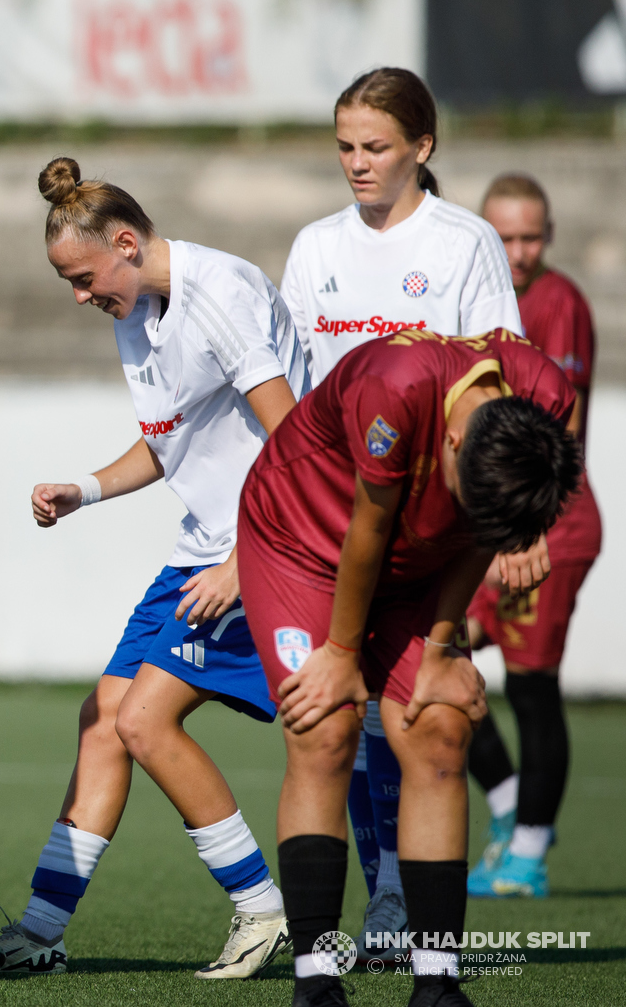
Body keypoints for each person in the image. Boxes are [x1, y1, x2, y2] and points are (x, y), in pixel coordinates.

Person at [0, 158, 305, 980]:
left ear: (127, 242)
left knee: (144, 721)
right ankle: (41, 933)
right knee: (105, 716)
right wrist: (83, 489)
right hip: (205, 549)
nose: (80, 297)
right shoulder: (137, 309)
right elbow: (168, 444)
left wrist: (245, 561)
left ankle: (265, 914)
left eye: (84, 278)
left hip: (265, 547)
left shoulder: (221, 291)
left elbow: (299, 443)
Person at [236, 328, 580, 1007]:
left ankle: (436, 981)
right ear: (453, 442)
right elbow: (368, 528)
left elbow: (479, 532)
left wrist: (443, 647)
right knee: (325, 727)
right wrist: (339, 654)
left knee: (441, 728)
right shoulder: (395, 387)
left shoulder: (546, 398)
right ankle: (316, 980)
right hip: (302, 543)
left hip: (418, 564)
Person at [276, 68, 523, 954]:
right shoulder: (314, 248)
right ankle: (331, 930)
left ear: (423, 147)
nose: (357, 164)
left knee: (418, 720)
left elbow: (500, 393)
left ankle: (400, 907)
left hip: (425, 527)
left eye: (375, 147)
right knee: (333, 717)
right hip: (323, 526)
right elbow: (294, 395)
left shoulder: (465, 243)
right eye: (344, 147)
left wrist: (509, 531)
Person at [463, 174, 601, 899]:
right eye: (505, 237)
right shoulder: (480, 296)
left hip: (548, 528)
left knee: (531, 689)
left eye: (531, 236)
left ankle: (528, 857)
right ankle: (513, 809)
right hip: (494, 530)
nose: (519, 252)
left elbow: (560, 436)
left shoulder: (559, 303)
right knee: (433, 659)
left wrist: (520, 536)